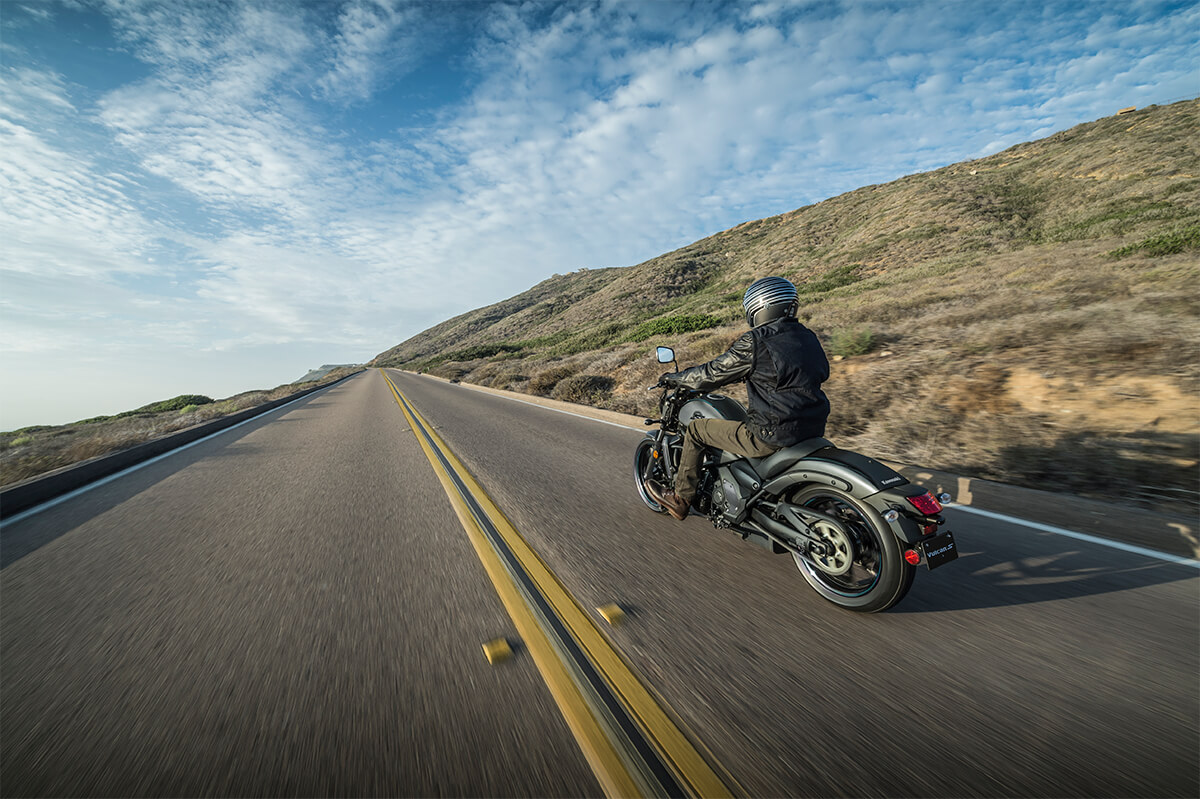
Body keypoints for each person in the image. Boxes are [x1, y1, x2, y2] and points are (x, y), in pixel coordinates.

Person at [645, 276, 831, 520]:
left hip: (771, 434)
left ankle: (680, 499)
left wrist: (675, 378)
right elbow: (817, 372)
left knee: (697, 429)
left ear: (759, 307)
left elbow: (712, 373)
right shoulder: (808, 337)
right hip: (812, 427)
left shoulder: (757, 341)